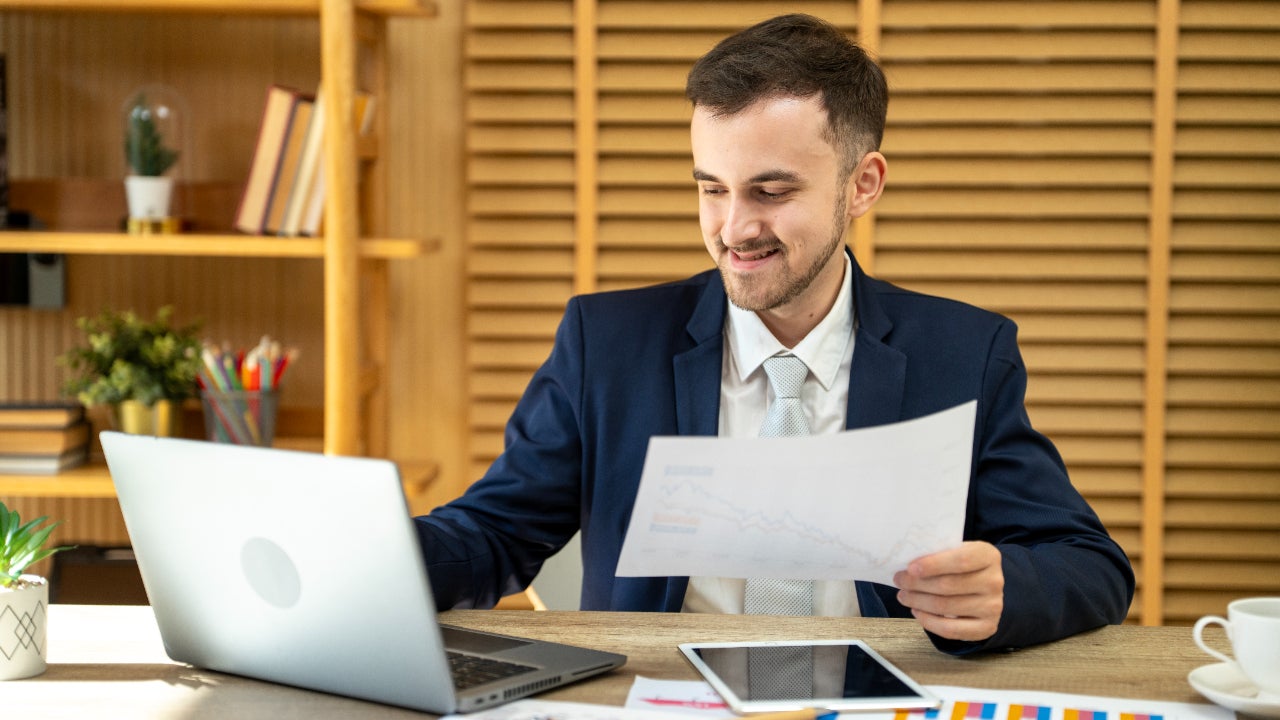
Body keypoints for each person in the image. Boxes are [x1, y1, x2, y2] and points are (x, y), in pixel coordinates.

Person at [415, 13, 1134, 655]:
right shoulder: (606, 344)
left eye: (771, 191)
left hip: (881, 697)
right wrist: (371, 557)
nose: (733, 229)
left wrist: (1009, 587)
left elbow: (1091, 565)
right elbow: (492, 536)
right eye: (711, 188)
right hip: (662, 701)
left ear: (863, 184)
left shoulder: (964, 356)